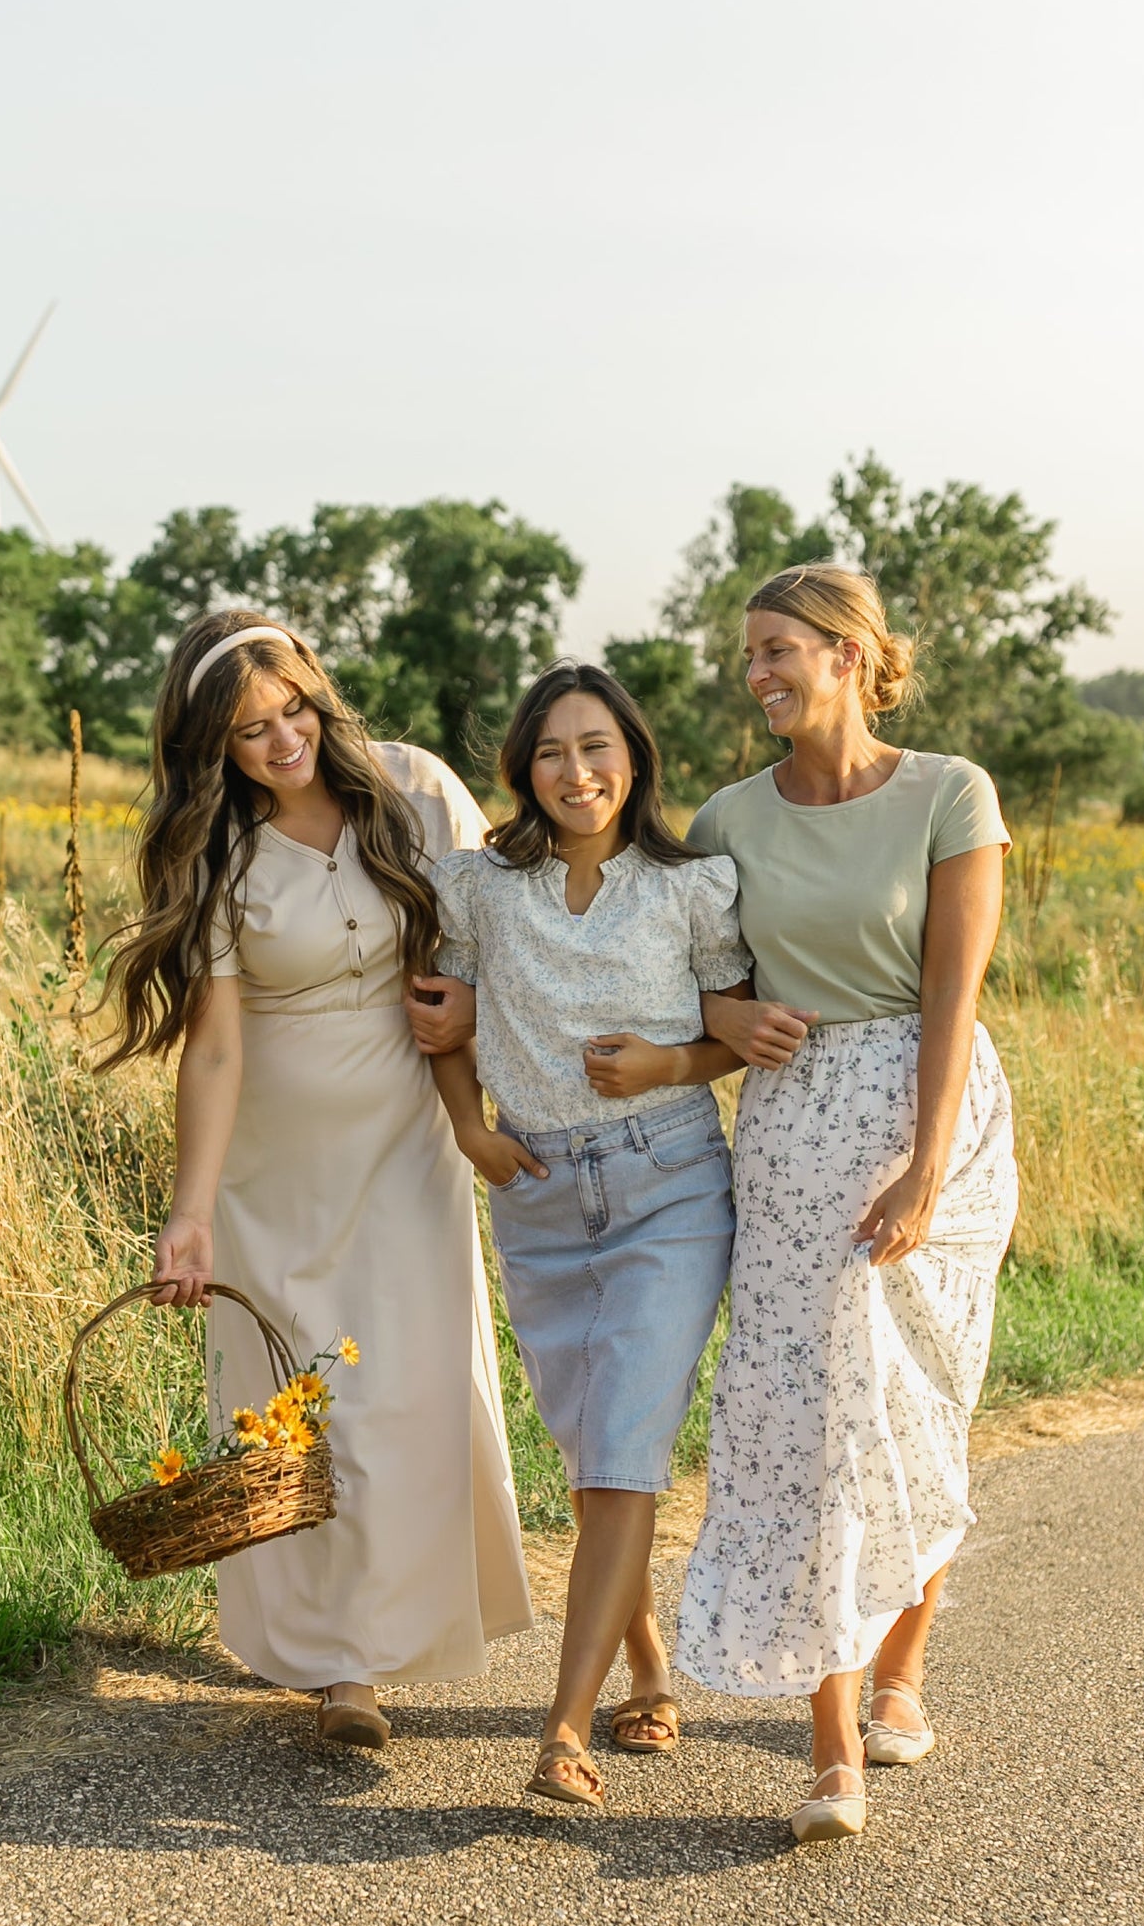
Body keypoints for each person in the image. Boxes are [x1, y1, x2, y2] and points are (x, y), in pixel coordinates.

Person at [102, 611, 533, 1746]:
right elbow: (216, 1045)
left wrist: (486, 1021)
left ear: (318, 695)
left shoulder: (414, 791)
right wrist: (187, 1215)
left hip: (409, 1138)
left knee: (404, 1388)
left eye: (293, 709)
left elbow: (506, 930)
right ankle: (344, 1666)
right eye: (249, 731)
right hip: (274, 1170)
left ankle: (390, 1630)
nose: (282, 739)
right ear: (210, 746)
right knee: (303, 1406)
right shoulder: (216, 848)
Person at [676, 562, 1018, 1844]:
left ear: (847, 652)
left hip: (937, 1119)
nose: (755, 673)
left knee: (923, 1407)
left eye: (776, 649)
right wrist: (722, 1016)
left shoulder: (947, 794)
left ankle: (900, 1669)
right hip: (791, 1129)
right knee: (809, 1418)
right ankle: (828, 1748)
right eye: (748, 655)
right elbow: (689, 983)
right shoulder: (725, 823)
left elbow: (952, 997)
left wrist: (926, 1167)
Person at [424, 663, 752, 1812]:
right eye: (554, 751)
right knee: (587, 1452)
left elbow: (735, 1033)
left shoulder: (689, 887)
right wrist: (470, 1130)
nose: (578, 772)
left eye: (599, 746)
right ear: (521, 769)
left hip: (668, 1183)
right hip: (537, 1190)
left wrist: (669, 1062)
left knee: (623, 1444)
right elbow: (443, 1020)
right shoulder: (476, 889)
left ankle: (562, 1726)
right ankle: (647, 1665)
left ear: (634, 757)